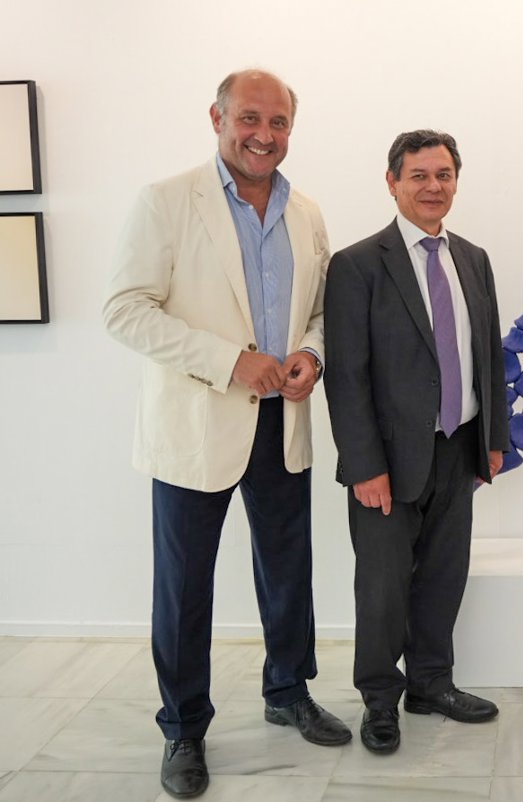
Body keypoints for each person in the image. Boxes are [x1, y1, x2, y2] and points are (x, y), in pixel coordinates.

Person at [103, 69, 351, 799]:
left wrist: (312, 355)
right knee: (185, 585)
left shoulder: (306, 212)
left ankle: (288, 691)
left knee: (288, 569)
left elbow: (324, 309)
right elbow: (125, 309)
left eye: (278, 123)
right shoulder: (166, 201)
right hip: (197, 423)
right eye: (249, 118)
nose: (263, 135)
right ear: (217, 118)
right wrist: (229, 362)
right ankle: (183, 727)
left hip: (283, 418)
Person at [323, 130, 509, 755]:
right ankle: (380, 699)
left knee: (443, 576)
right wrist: (363, 465)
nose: (434, 187)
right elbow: (347, 376)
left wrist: (493, 437)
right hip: (387, 460)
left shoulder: (473, 259)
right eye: (420, 175)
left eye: (444, 175)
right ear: (393, 182)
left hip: (459, 447)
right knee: (382, 587)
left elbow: (488, 355)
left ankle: (431, 684)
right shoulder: (357, 265)